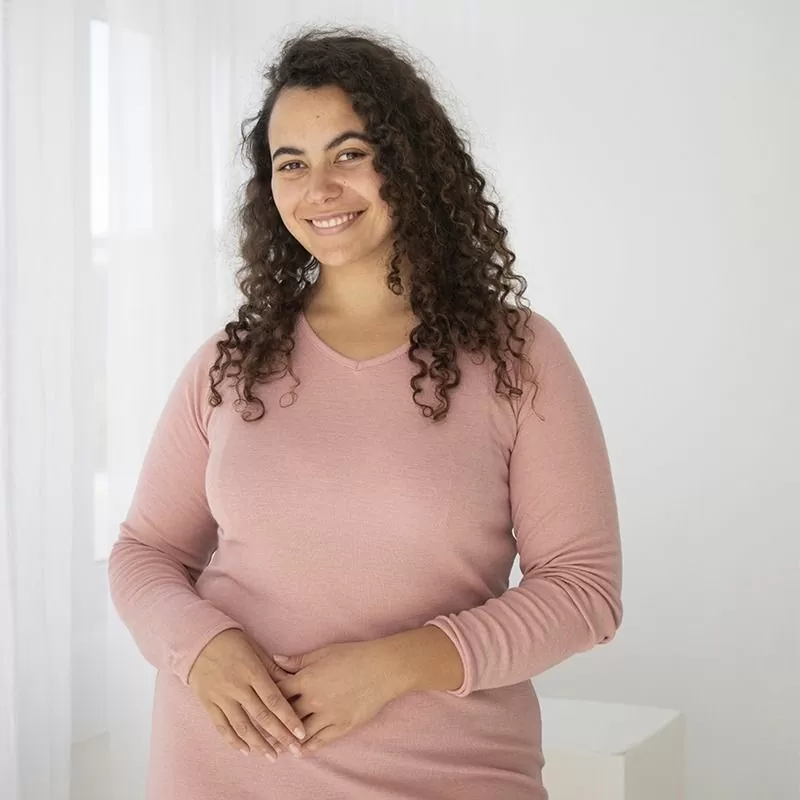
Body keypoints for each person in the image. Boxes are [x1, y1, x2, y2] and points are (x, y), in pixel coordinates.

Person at [108, 24, 623, 800]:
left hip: (446, 774)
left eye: (349, 153)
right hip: (220, 773)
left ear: (408, 160)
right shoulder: (230, 361)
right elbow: (145, 550)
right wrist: (200, 647)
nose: (318, 188)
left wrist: (395, 666)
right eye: (292, 164)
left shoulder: (517, 356)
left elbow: (585, 591)